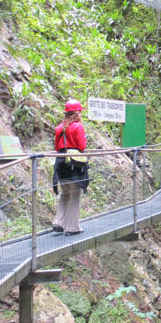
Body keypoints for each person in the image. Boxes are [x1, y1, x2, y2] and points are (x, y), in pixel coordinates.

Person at [52, 99, 88, 236]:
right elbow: (82, 146)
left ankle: (59, 221)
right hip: (74, 163)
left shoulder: (59, 128)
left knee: (65, 192)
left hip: (61, 162)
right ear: (77, 113)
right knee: (74, 193)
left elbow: (56, 147)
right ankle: (72, 227)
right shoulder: (78, 127)